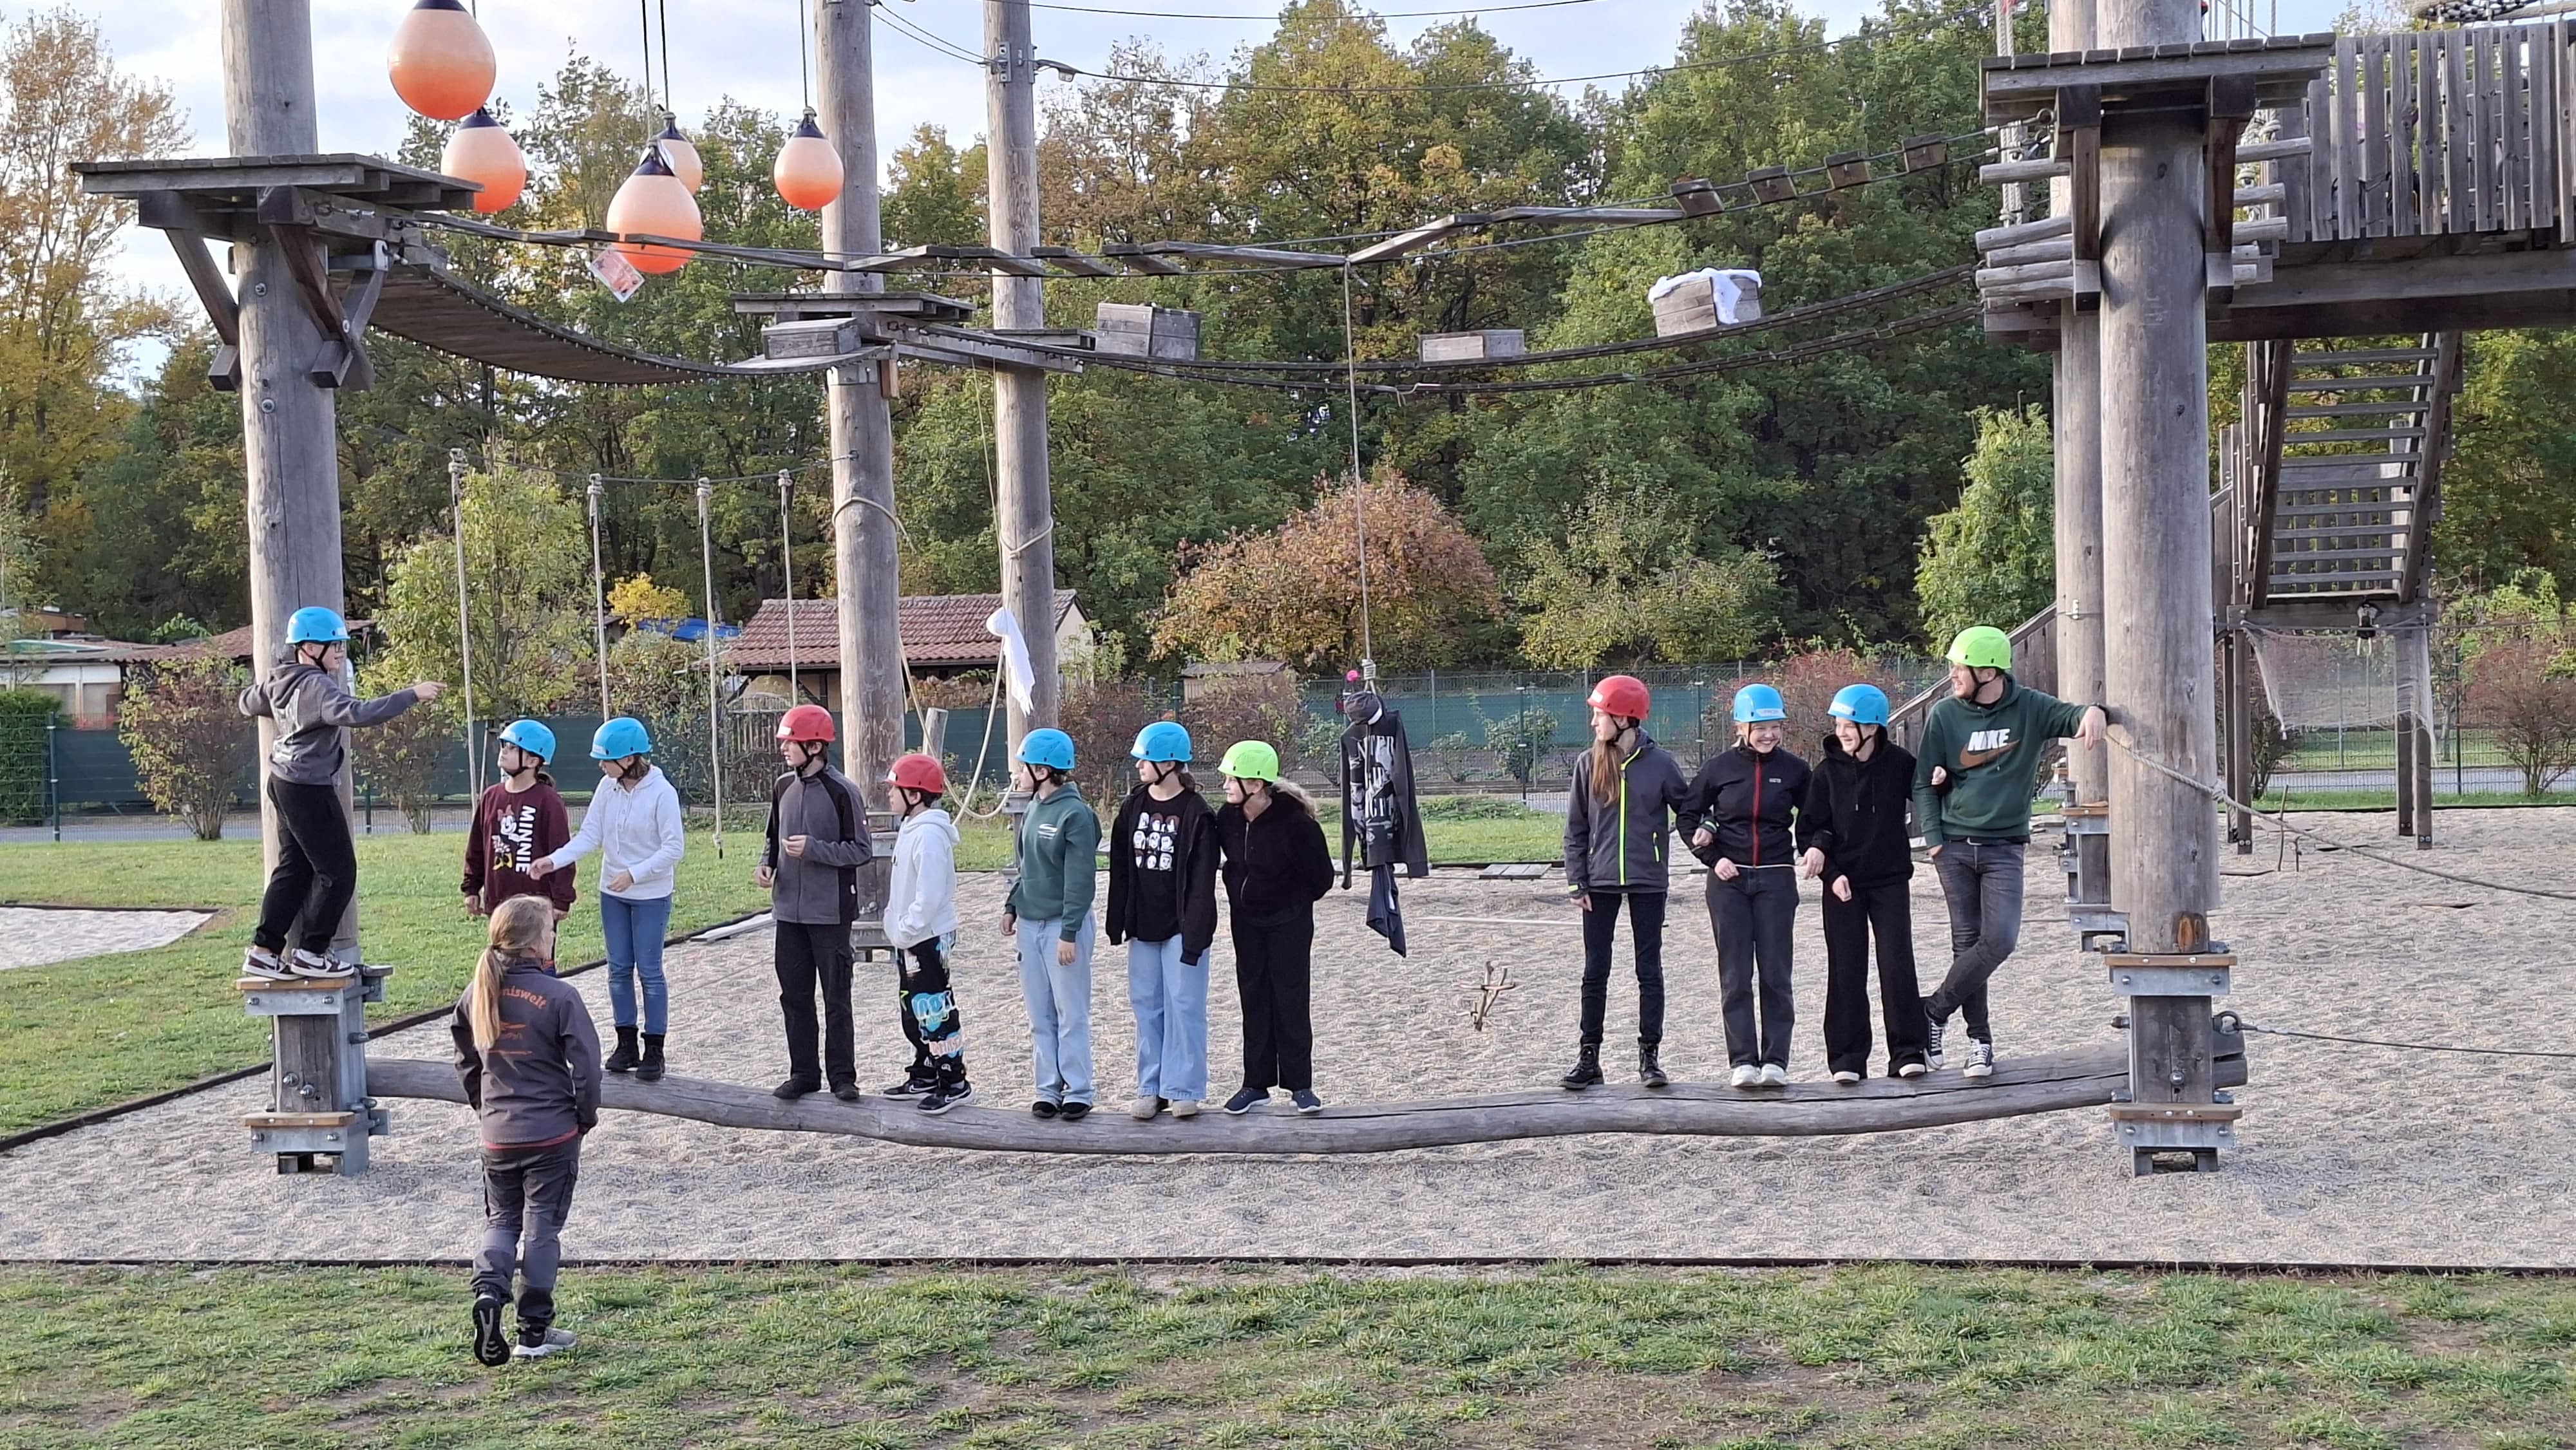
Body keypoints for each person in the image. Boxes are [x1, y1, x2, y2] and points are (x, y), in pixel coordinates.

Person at [1913, 625, 2107, 1078]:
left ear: (1988, 672)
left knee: (1999, 941)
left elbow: (2075, 715)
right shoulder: (1944, 715)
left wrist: (2096, 711)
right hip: (1954, 848)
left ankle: (1933, 1010)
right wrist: (1934, 837)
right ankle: (1980, 1043)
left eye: (1959, 668)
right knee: (1967, 946)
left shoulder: (2030, 708)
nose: (1952, 675)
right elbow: (1923, 781)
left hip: (2004, 849)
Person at [235, 606, 443, 980]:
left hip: (282, 781)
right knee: (339, 872)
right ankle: (312, 953)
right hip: (308, 787)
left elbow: (247, 702)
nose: (340, 652)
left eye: (341, 645)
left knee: (295, 869)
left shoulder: (280, 679)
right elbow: (358, 713)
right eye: (334, 645)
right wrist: (411, 694)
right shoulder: (318, 686)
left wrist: (272, 693)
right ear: (309, 647)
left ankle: (264, 952)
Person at [450, 894, 600, 1366]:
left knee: (501, 1222)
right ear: (537, 943)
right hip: (552, 1133)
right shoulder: (560, 997)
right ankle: (533, 1332)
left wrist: (484, 1108)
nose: (553, 937)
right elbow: (588, 1068)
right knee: (541, 1230)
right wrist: (584, 1116)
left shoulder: (477, 992)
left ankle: (488, 1292)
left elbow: (466, 1062)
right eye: (550, 930)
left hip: (497, 1133)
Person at [530, 718, 684, 1083]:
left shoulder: (662, 793)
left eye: (606, 759)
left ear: (629, 759)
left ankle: (654, 1048)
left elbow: (674, 848)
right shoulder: (607, 788)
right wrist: (554, 860)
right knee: (617, 968)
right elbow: (590, 835)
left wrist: (635, 873)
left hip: (649, 893)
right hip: (612, 892)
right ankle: (626, 1042)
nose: (600, 765)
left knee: (649, 970)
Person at [1558, 674, 1692, 1091]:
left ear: (1624, 718)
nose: (1593, 723)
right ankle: (1589, 1057)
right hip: (1598, 883)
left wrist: (1707, 829)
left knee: (1648, 970)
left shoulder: (1661, 764)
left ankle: (1650, 1057)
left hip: (1648, 881)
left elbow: (1688, 810)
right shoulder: (1588, 763)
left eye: (1599, 715)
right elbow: (1575, 828)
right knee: (1595, 971)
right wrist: (1576, 881)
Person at [1677, 683, 1812, 1089]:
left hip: (1776, 878)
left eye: (1775, 727)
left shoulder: (1795, 770)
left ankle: (1775, 1061)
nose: (1769, 735)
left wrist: (1815, 846)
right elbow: (1688, 816)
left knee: (1775, 974)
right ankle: (1743, 1061)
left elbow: (1815, 817)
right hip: (1728, 880)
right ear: (1740, 727)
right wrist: (1711, 856)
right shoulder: (1719, 769)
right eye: (1760, 727)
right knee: (1735, 976)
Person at [1799, 684, 1929, 1084]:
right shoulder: (1825, 774)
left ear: (1872, 728)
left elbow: (1929, 795)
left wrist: (1941, 781)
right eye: (1838, 724)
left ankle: (1908, 1052)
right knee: (1846, 969)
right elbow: (1809, 831)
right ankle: (1847, 1058)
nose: (1841, 732)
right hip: (1842, 884)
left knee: (1897, 964)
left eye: (1848, 725)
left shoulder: (1900, 764)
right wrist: (1830, 872)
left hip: (1890, 882)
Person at [755, 704, 875, 1102]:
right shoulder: (781, 786)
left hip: (830, 915)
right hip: (788, 914)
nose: (784, 749)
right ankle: (803, 1074)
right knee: (794, 998)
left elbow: (861, 850)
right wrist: (766, 865)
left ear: (815, 746)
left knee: (837, 999)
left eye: (790, 742)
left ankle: (843, 1078)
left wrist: (815, 849)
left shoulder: (843, 791)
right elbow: (772, 837)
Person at [1211, 740, 1336, 1116]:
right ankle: (1255, 1084)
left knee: (1291, 998)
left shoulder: (1297, 824)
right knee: (1253, 998)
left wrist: (1290, 902)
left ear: (1256, 784)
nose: (1225, 785)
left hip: (1289, 923)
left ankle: (1301, 1086)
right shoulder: (1227, 819)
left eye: (1232, 779)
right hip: (1246, 923)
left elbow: (1322, 878)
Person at [1106, 721, 1220, 1121]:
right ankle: (1150, 1088)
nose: (1139, 765)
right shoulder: (1133, 806)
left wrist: (1195, 935)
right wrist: (1118, 920)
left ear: (1169, 764)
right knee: (1147, 1006)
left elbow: (1203, 882)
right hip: (1143, 924)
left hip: (1182, 927)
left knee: (1185, 1005)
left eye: (1146, 759)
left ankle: (1183, 1088)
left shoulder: (1198, 813)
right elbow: (1120, 866)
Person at [1003, 728, 1101, 1122]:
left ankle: (1079, 1090)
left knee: (1070, 1013)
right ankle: (1048, 1088)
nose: (1017, 774)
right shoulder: (1033, 808)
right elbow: (1027, 866)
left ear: (1043, 770)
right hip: (1031, 924)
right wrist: (1012, 904)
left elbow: (1081, 879)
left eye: (1023, 766)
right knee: (1040, 1014)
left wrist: (1069, 932)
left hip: (1063, 924)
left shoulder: (1075, 815)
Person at [881, 752, 972, 1116]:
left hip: (926, 937)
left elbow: (930, 895)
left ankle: (953, 1080)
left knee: (935, 1009)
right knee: (913, 1009)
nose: (890, 794)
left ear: (915, 795)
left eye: (896, 789)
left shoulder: (930, 835)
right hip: (910, 938)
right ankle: (926, 1071)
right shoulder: (911, 828)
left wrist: (907, 928)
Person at [462, 720, 575, 930]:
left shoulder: (548, 800)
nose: (504, 751)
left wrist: (562, 899)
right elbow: (477, 847)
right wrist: (472, 888)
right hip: (498, 904)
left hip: (537, 908)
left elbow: (561, 852)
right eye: (504, 745)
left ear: (533, 761)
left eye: (513, 747)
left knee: (535, 953)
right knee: (501, 952)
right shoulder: (491, 796)